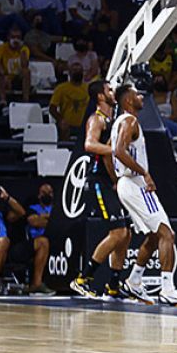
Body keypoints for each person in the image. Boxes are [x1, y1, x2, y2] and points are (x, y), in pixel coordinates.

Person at [112, 84, 177, 306]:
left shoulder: (118, 122)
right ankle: (167, 289)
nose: (141, 96)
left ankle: (134, 280)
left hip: (127, 183)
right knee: (167, 234)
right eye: (137, 93)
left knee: (153, 235)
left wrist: (119, 180)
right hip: (135, 184)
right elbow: (119, 151)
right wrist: (144, 173)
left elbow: (114, 153)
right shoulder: (130, 121)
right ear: (128, 100)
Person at [70, 80, 132, 301]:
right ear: (99, 96)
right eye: (109, 90)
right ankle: (82, 279)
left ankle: (113, 285)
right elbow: (89, 145)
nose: (113, 92)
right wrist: (117, 151)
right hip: (98, 181)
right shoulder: (96, 119)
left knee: (126, 235)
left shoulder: (113, 120)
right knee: (118, 233)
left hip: (113, 180)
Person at [23, 184, 57, 296]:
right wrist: (51, 219)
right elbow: (34, 222)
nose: (47, 195)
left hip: (57, 240)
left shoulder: (57, 208)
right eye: (44, 192)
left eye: (50, 192)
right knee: (43, 242)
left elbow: (61, 223)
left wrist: (44, 217)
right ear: (39, 195)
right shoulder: (33, 208)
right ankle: (36, 284)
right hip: (36, 241)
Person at [49, 62, 89, 140]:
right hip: (67, 124)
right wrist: (61, 120)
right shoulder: (61, 88)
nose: (77, 72)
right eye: (74, 70)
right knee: (62, 126)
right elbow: (52, 108)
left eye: (79, 70)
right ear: (69, 73)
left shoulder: (88, 88)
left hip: (84, 124)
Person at [0, 27, 31, 106]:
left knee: (26, 72)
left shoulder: (24, 49)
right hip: (5, 76)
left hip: (17, 78)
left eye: (18, 37)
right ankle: (3, 99)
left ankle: (26, 100)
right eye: (13, 37)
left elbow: (25, 66)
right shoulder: (1, 48)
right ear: (8, 37)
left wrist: (21, 50)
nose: (15, 40)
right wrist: (5, 75)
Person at [151, 74, 177, 139]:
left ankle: (167, 139)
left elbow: (176, 116)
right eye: (157, 80)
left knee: (163, 123)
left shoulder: (171, 97)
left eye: (161, 81)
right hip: (153, 125)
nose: (159, 82)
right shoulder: (149, 98)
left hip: (171, 124)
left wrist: (162, 119)